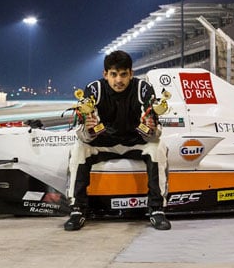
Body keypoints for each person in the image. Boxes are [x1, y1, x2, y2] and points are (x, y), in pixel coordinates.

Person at [64, 50, 170, 231]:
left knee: (158, 147)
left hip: (136, 142)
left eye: (123, 74)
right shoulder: (94, 90)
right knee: (78, 149)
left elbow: (156, 133)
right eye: (113, 74)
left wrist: (151, 130)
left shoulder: (143, 89)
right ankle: (77, 210)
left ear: (131, 73)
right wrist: (89, 131)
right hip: (103, 144)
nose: (118, 80)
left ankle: (156, 209)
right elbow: (81, 134)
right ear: (105, 74)